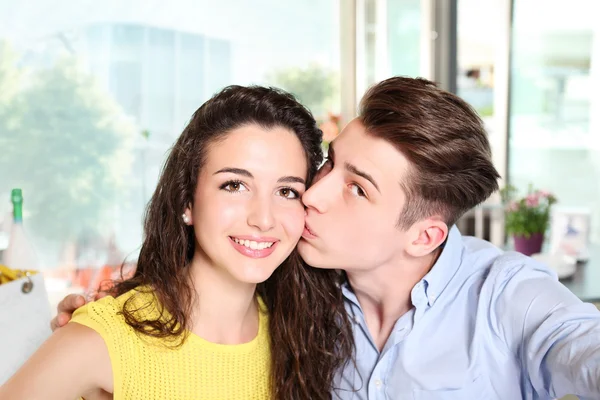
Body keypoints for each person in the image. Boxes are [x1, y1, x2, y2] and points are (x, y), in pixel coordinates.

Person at [46, 77, 600, 399]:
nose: (311, 194)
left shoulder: (506, 297)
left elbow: (578, 345)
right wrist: (109, 318)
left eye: (356, 189)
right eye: (329, 163)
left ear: (424, 234)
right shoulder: (296, 286)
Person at [0, 85, 353, 400]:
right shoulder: (106, 337)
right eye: (234, 185)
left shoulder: (303, 338)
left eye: (287, 191)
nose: (263, 218)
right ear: (188, 203)